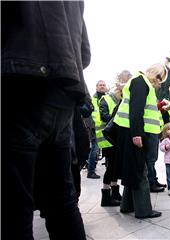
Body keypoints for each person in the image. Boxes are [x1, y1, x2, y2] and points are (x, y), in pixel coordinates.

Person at [2, 1, 90, 239]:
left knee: (13, 208)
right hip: (62, 89)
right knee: (61, 201)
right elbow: (84, 52)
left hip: (18, 81)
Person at [112, 63, 169, 219]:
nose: (159, 81)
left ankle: (126, 205)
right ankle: (143, 210)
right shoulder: (141, 82)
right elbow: (136, 110)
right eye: (159, 77)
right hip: (135, 132)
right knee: (140, 171)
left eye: (161, 79)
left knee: (135, 168)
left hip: (132, 131)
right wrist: (136, 134)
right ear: (153, 72)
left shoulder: (139, 81)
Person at [98, 79, 130, 206]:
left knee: (114, 167)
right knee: (110, 167)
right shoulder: (106, 99)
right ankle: (106, 196)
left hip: (113, 139)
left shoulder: (119, 102)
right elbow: (104, 116)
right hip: (107, 139)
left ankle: (115, 192)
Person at [87, 80, 108, 178]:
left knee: (107, 148)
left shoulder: (107, 98)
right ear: (96, 87)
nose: (102, 86)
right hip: (95, 128)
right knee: (95, 149)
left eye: (103, 85)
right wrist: (91, 126)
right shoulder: (93, 98)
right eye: (100, 85)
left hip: (105, 127)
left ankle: (109, 168)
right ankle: (90, 171)